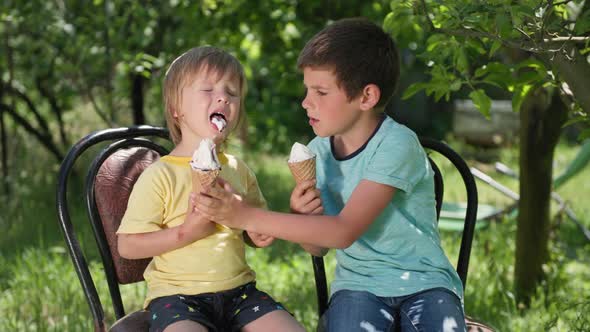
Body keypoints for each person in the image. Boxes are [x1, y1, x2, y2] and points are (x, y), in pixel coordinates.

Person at [194, 18, 467, 331]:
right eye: (308, 89)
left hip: (424, 284)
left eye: (321, 92)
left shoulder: (397, 144)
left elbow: (343, 232)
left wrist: (246, 216)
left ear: (366, 97)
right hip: (358, 287)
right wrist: (303, 216)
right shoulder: (317, 152)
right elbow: (320, 248)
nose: (306, 102)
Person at [116, 46, 305, 332]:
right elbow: (127, 246)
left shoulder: (238, 169)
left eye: (232, 92)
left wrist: (260, 233)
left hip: (241, 292)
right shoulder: (160, 175)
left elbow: (256, 227)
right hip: (177, 299)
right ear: (176, 108)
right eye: (207, 90)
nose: (222, 97)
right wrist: (186, 232)